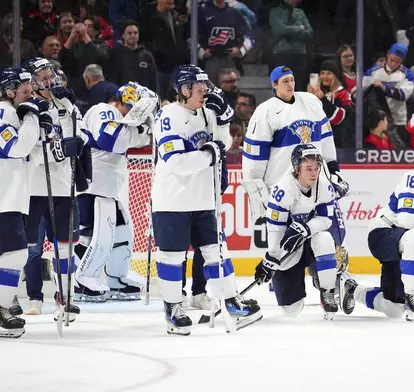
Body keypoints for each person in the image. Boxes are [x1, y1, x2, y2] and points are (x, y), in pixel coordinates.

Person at [152, 64, 260, 336]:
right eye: (199, 89)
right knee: (172, 257)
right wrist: (210, 154)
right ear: (184, 90)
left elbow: (222, 143)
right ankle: (173, 307)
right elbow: (177, 162)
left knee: (216, 252)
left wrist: (223, 121)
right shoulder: (168, 115)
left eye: (205, 88)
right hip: (172, 200)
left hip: (205, 199)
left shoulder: (206, 112)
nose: (205, 93)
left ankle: (230, 301)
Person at [241, 66, 350, 296]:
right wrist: (257, 190)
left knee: (331, 237)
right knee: (286, 246)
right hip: (284, 191)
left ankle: (329, 286)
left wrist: (334, 170)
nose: (290, 84)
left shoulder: (310, 102)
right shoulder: (265, 112)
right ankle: (286, 280)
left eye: (292, 79)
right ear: (274, 85)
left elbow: (326, 138)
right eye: (284, 81)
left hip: (317, 186)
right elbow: (254, 158)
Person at [341, 138, 414, 322]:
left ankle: (353, 290)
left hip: (406, 243)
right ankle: (413, 297)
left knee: (393, 308)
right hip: (384, 234)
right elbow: (407, 220)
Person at [74, 82, 156, 302]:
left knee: (122, 234)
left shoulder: (119, 117)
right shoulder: (103, 110)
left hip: (109, 188)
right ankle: (83, 280)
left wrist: (141, 132)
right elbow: (110, 140)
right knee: (98, 237)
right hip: (93, 188)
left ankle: (117, 279)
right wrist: (142, 133)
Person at [23, 57, 89, 324]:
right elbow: (30, 149)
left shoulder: (65, 103)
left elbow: (81, 136)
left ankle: (66, 296)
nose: (49, 81)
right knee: (30, 248)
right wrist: (60, 149)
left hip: (63, 187)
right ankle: (32, 298)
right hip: (32, 188)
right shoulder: (28, 109)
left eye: (50, 75)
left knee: (65, 247)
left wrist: (69, 109)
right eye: (42, 76)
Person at [254, 144, 339, 319]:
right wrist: (271, 259)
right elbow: (275, 230)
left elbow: (326, 219)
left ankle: (329, 289)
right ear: (296, 169)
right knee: (291, 309)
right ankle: (320, 275)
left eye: (316, 168)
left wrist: (305, 228)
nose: (314, 173)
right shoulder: (283, 190)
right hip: (288, 249)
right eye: (308, 168)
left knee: (324, 239)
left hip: (311, 242)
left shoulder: (324, 186)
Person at [0, 68, 45, 338]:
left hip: (11, 198)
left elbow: (28, 158)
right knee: (16, 254)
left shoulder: (13, 113)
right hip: (4, 199)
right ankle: (3, 308)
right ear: (9, 90)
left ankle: (3, 306)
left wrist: (44, 132)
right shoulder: (4, 112)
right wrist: (32, 119)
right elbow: (15, 148)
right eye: (24, 89)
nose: (30, 93)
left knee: (14, 255)